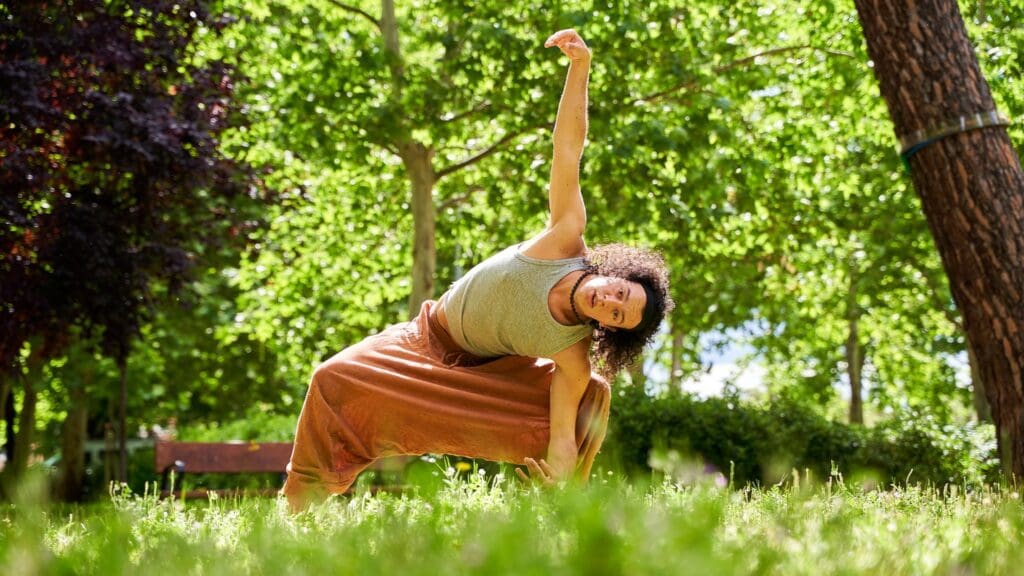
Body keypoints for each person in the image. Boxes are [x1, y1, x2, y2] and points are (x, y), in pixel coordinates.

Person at [282, 29, 673, 511]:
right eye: (621, 294)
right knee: (331, 377)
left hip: (479, 376)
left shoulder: (572, 353)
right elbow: (568, 149)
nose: (610, 303)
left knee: (588, 397)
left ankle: (556, 519)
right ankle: (298, 509)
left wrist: (563, 477)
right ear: (618, 273)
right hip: (424, 339)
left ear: (607, 329)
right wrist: (580, 68)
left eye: (616, 316)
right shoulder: (565, 238)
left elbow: (562, 438)